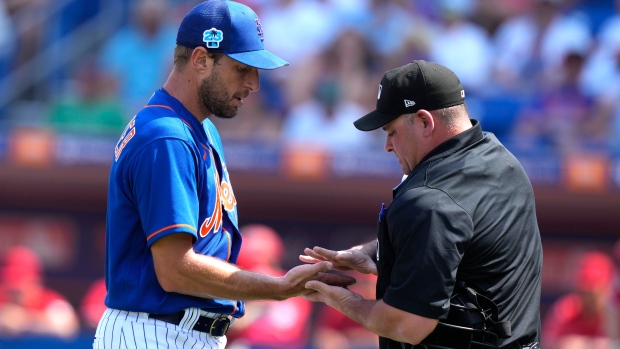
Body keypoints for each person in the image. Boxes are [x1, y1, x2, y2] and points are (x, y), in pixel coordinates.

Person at [95, 1, 354, 349]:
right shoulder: (167, 136)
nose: (254, 84)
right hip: (153, 333)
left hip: (186, 331)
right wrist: (279, 288)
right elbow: (174, 270)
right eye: (242, 68)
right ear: (201, 60)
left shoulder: (198, 129)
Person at [300, 60, 543, 349]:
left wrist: (343, 300)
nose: (387, 146)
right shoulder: (501, 160)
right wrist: (379, 253)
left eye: (391, 132)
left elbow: (407, 324)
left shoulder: (428, 198)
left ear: (426, 122)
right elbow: (464, 244)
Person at [0, 246, 80, 339]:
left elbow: (69, 326)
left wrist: (27, 320)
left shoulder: (51, 301)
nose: (15, 289)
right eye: (9, 281)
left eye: (21, 281)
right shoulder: (2, 297)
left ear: (36, 280)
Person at [542, 251, 614, 349]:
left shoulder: (615, 314)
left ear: (608, 289)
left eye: (593, 294)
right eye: (583, 292)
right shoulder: (567, 309)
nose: (587, 299)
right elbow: (547, 343)